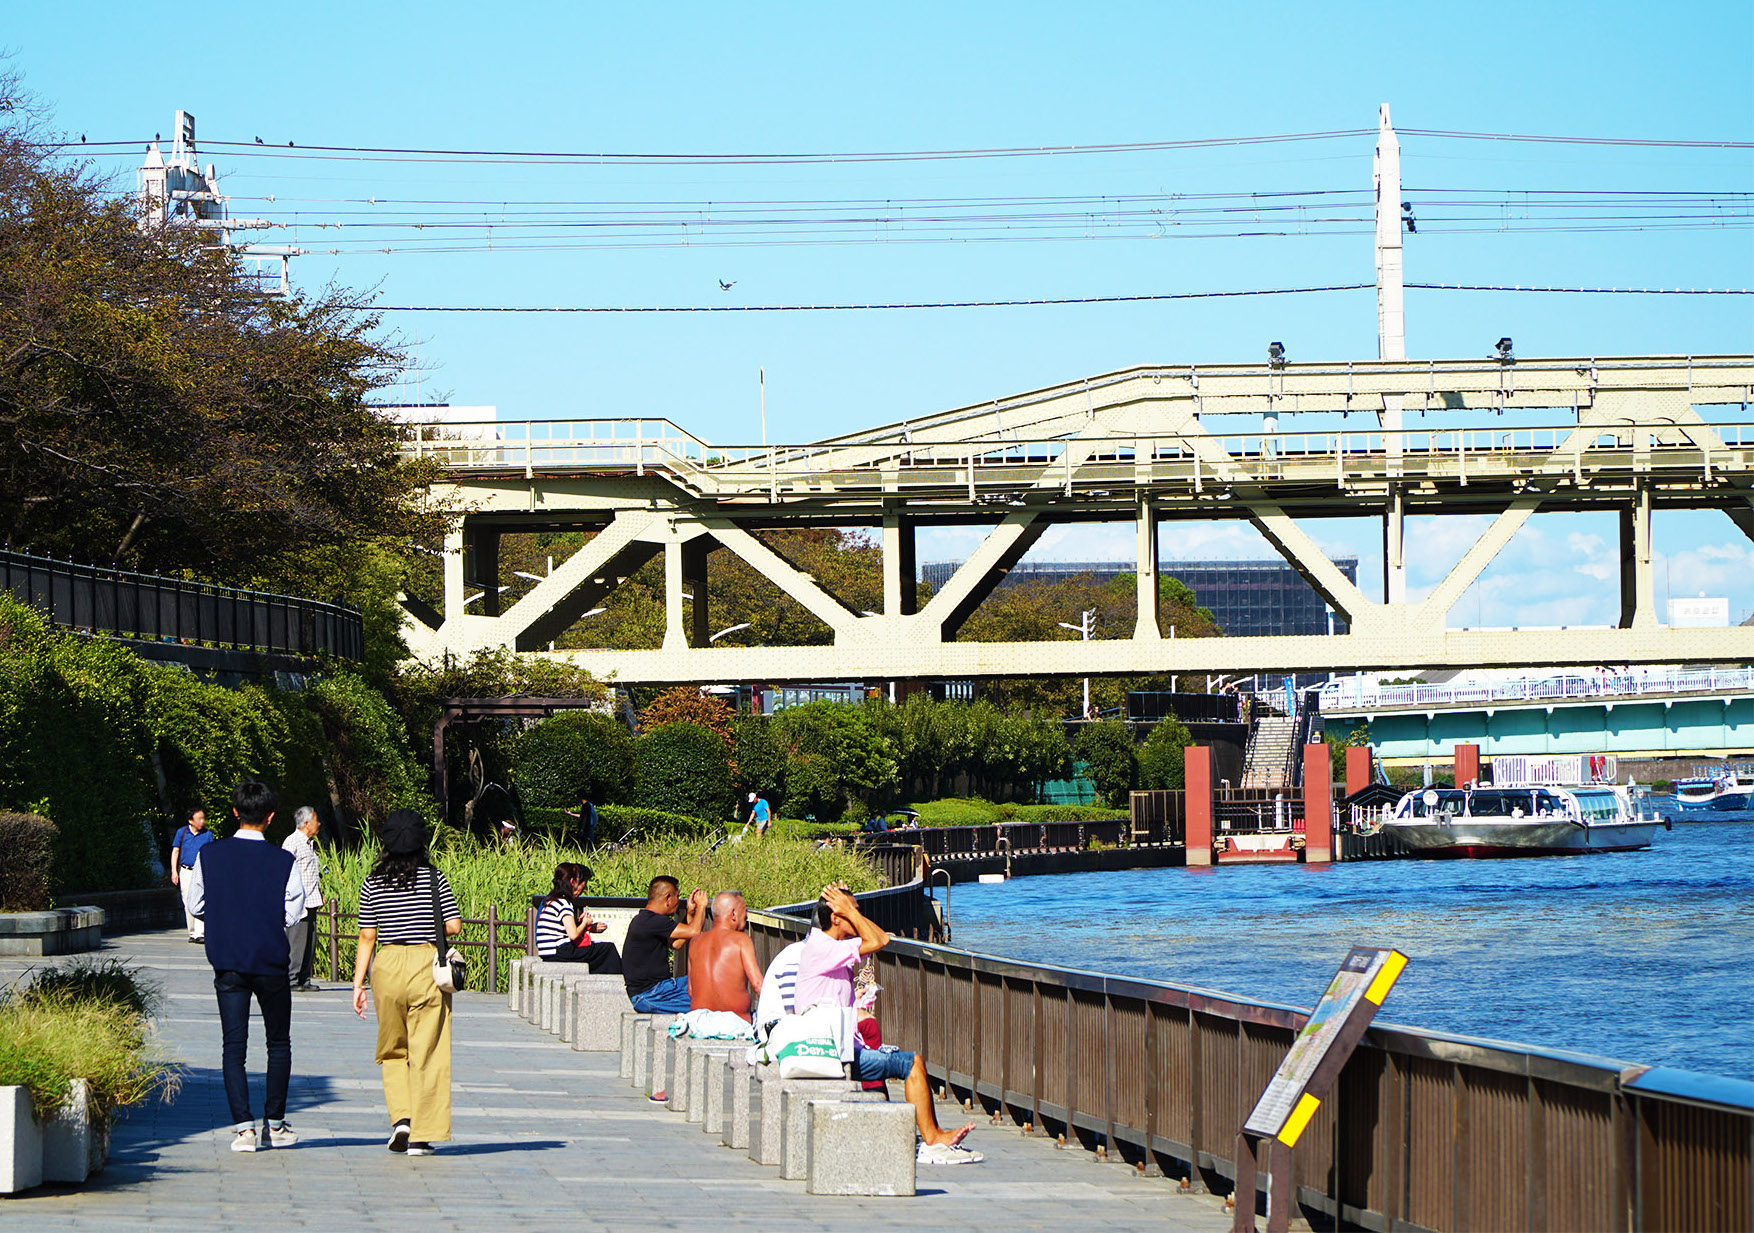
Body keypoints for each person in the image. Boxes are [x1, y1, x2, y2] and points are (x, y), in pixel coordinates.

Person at [797, 883, 980, 1164]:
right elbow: (880, 940)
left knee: (898, 1062)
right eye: (850, 913)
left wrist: (850, 909)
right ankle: (932, 1139)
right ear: (835, 918)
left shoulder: (828, 946)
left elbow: (879, 936)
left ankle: (931, 1134)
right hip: (833, 1053)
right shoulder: (824, 948)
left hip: (836, 1046)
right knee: (912, 1063)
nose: (858, 916)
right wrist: (848, 909)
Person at [184, 779, 306, 1153]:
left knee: (233, 1046)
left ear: (235, 812)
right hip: (270, 961)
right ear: (270, 818)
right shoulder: (284, 860)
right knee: (278, 1042)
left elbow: (196, 905)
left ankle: (243, 1129)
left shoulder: (211, 855)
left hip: (228, 961)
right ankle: (275, 1124)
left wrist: (228, 917)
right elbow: (294, 911)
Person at [351, 809, 462, 1157]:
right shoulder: (434, 879)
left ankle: (401, 1118)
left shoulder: (373, 882)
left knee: (392, 1048)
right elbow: (455, 926)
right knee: (427, 1050)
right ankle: (421, 1135)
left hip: (386, 964)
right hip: (424, 963)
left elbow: (367, 936)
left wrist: (358, 985)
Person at [622, 875, 705, 1015]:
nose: (678, 901)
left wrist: (690, 913)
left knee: (703, 979)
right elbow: (694, 931)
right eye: (677, 897)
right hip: (651, 994)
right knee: (707, 1003)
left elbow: (677, 943)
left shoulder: (647, 919)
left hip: (658, 990)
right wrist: (702, 906)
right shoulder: (651, 921)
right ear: (668, 898)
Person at [687, 891, 764, 1020]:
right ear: (733, 914)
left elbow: (691, 990)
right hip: (735, 1023)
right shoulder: (741, 940)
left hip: (700, 1021)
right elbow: (757, 984)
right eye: (745, 912)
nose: (746, 916)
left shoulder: (695, 942)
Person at [534, 863, 622, 973]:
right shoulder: (563, 903)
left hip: (548, 952)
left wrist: (589, 927)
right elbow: (573, 935)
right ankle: (618, 984)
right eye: (583, 886)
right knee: (607, 949)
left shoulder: (551, 901)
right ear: (573, 882)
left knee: (599, 952)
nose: (584, 890)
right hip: (559, 951)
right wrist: (585, 923)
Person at [281, 807, 325, 992]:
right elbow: (284, 870)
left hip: (312, 899)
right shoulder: (292, 842)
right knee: (297, 941)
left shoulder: (309, 843)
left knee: (310, 941)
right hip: (298, 901)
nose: (319, 823)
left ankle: (304, 978)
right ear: (306, 823)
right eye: (316, 819)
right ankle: (291, 978)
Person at [169, 807, 215, 942]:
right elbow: (175, 851)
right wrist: (174, 871)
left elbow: (212, 854)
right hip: (186, 871)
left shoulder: (207, 834)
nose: (202, 821)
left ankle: (200, 933)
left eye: (203, 818)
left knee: (201, 899)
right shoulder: (182, 832)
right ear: (190, 821)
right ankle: (192, 932)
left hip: (202, 871)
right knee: (187, 901)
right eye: (199, 818)